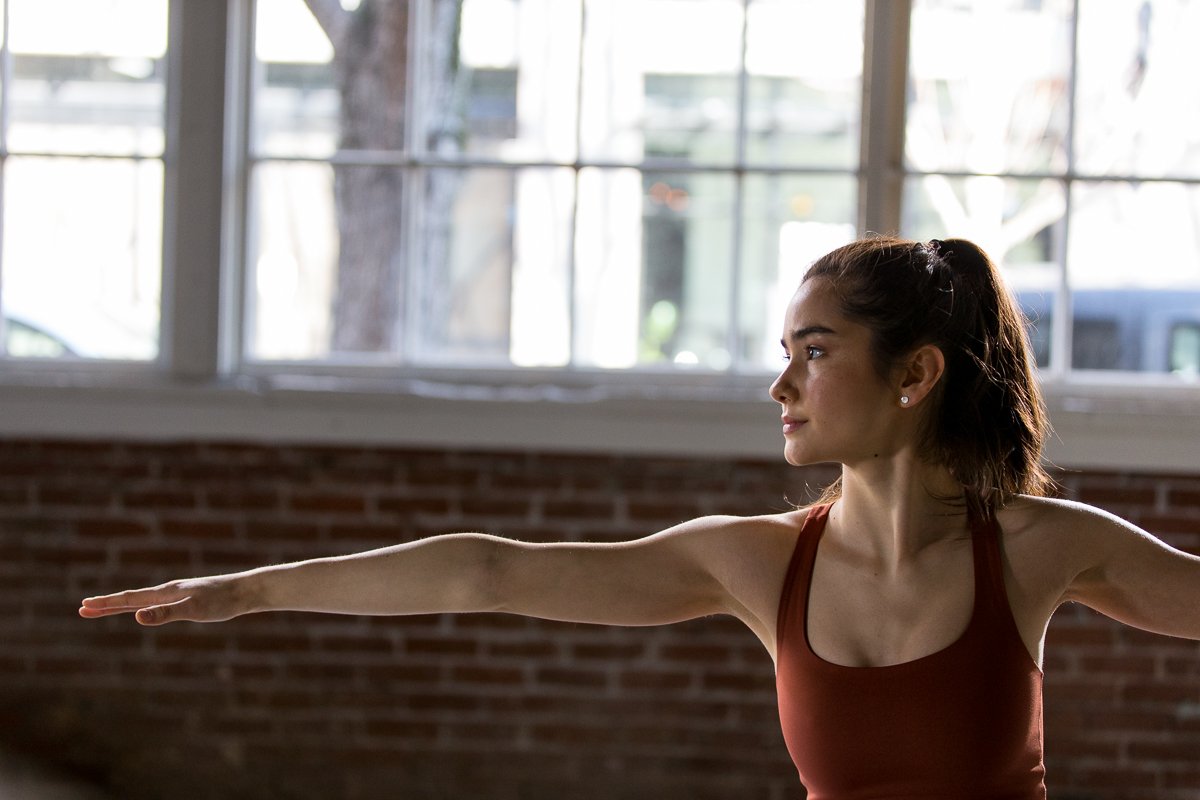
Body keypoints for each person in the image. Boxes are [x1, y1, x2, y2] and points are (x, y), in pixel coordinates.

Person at [80, 236, 1200, 798]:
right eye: (785, 352)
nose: (782, 385)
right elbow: (488, 571)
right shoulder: (757, 564)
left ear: (915, 373)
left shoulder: (1043, 548)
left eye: (815, 353)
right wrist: (248, 589)